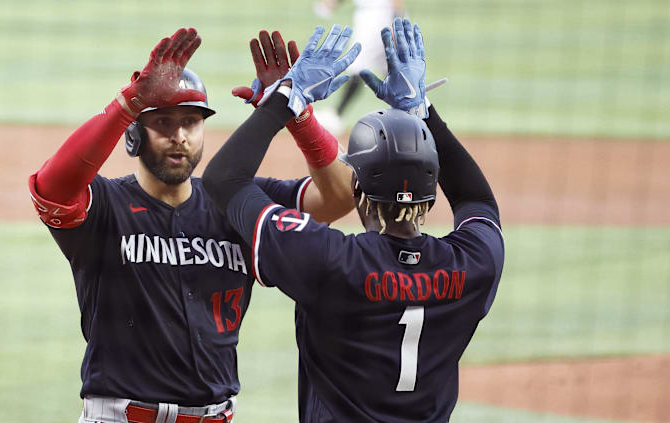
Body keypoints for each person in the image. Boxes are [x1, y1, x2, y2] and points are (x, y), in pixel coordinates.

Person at [28, 27, 355, 423]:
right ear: (135, 135)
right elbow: (52, 187)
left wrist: (297, 113)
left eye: (190, 122)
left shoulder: (239, 205)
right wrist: (127, 104)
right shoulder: (107, 207)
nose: (179, 136)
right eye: (163, 122)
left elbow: (340, 197)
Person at [203, 18, 504, 422]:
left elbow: (222, 179)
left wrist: (288, 97)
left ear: (357, 192)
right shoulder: (473, 264)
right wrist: (421, 111)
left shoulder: (329, 258)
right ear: (433, 194)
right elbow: (476, 199)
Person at [313, 0, 405, 136]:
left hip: (378, 15)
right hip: (378, 14)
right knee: (391, 69)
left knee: (358, 63)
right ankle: (414, 115)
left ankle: (336, 115)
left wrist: (397, 17)